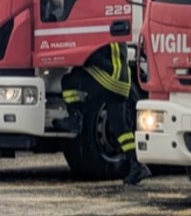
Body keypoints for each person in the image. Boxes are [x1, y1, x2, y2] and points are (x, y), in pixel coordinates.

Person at [63, 42, 151, 186]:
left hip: (111, 78)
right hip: (122, 82)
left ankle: (75, 118)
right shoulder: (118, 37)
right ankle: (137, 165)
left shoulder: (105, 37)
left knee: (68, 81)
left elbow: (93, 54)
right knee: (119, 128)